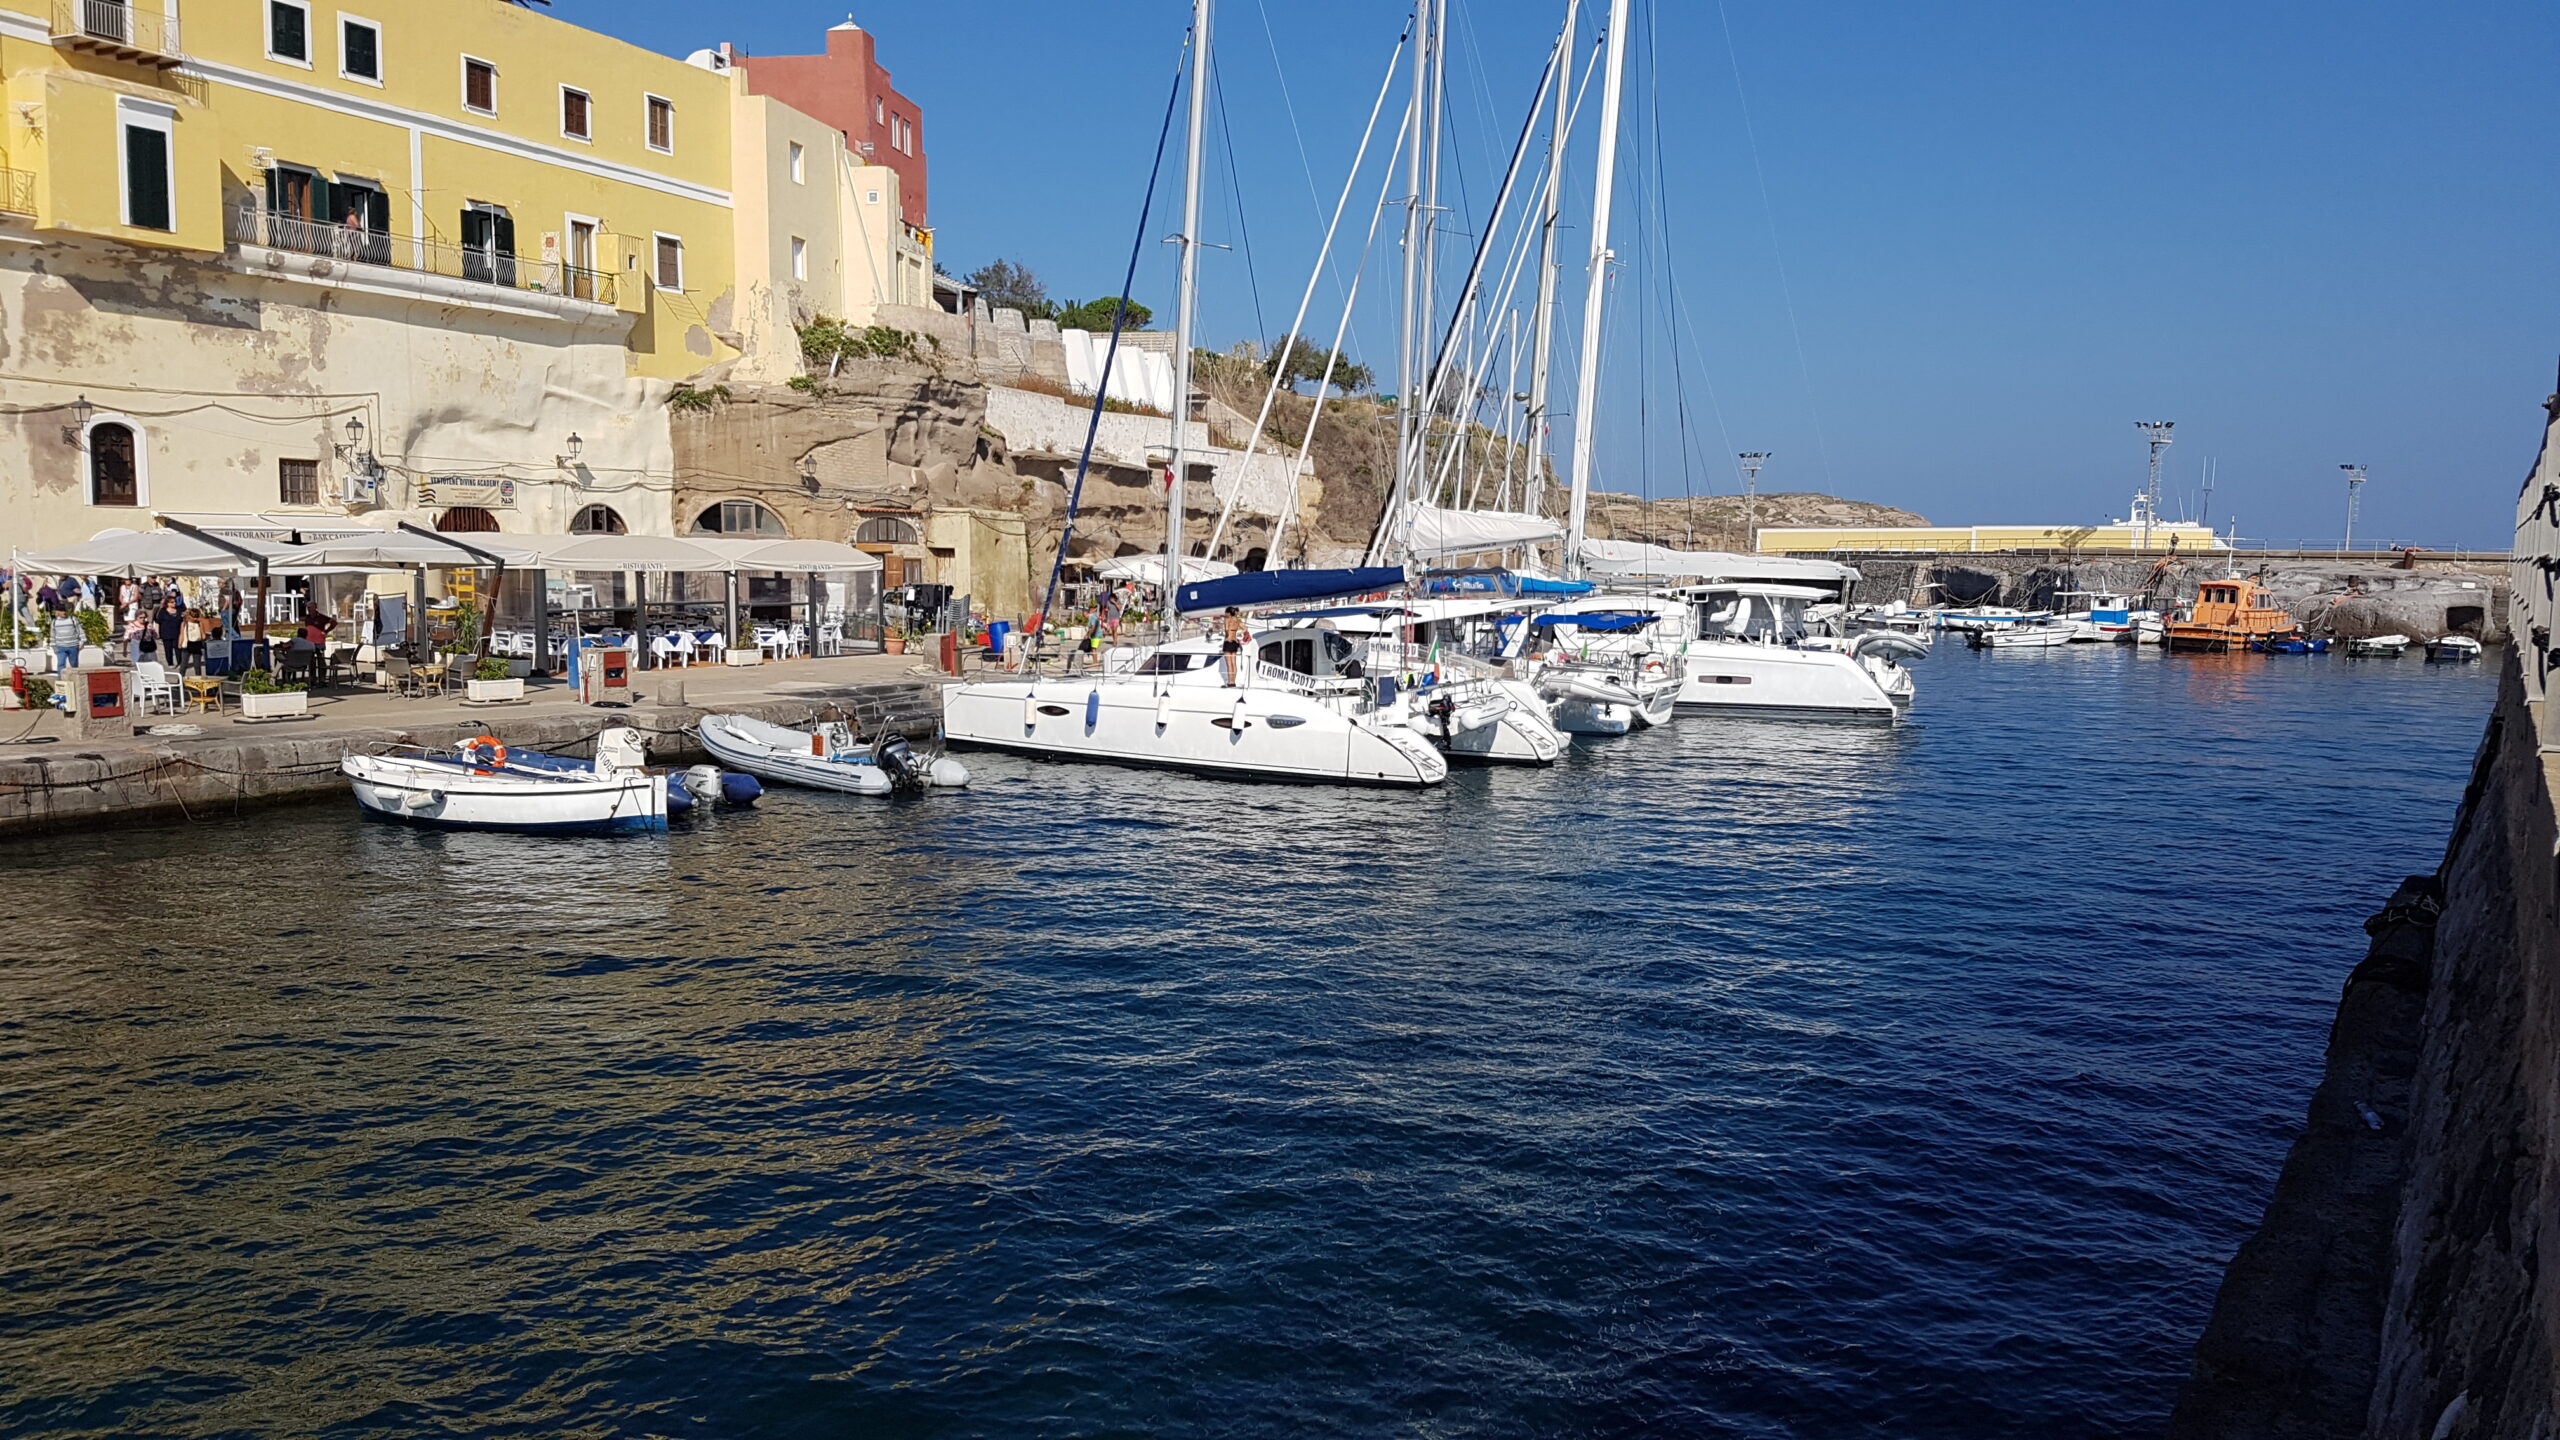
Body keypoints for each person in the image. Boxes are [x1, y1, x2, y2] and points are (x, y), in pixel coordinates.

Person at [1217, 605, 1251, 687]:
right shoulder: (1238, 620)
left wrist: (1228, 636)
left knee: (1229, 664)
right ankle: (1233, 682)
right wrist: (1237, 633)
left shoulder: (1227, 619)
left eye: (1226, 612)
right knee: (1234, 663)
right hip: (1235, 642)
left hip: (1228, 642)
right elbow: (1245, 628)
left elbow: (1226, 629)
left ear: (1228, 613)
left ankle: (1230, 682)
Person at [154, 595, 186, 674]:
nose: (174, 603)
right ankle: (170, 663)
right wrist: (157, 632)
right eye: (172, 602)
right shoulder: (163, 611)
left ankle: (179, 662)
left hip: (177, 632)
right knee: (168, 649)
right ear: (167, 603)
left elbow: (183, 621)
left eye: (174, 602)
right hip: (166, 633)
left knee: (178, 648)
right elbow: (158, 622)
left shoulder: (179, 610)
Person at [48, 604, 82, 676]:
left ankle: (75, 678)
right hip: (60, 647)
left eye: (64, 610)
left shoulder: (73, 619)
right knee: (61, 664)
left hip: (73, 646)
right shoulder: (54, 622)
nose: (64, 612)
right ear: (57, 612)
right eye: (61, 611)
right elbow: (52, 635)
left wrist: (82, 642)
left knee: (74, 664)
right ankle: (61, 680)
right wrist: (54, 646)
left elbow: (80, 630)